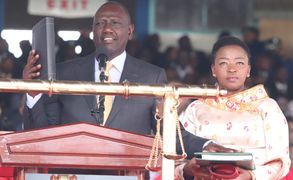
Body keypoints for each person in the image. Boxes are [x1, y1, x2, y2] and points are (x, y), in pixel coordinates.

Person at [22, 1, 207, 156]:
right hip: (73, 171)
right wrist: (32, 93)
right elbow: (44, 132)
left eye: (115, 23)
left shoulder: (152, 76)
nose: (107, 29)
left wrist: (207, 147)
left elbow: (167, 132)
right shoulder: (65, 72)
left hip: (128, 171)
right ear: (93, 31)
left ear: (130, 30)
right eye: (100, 23)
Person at [175, 36, 290, 179]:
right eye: (224, 63)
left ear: (248, 70)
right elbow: (175, 158)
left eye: (240, 63)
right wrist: (186, 169)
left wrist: (250, 175)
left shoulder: (267, 107)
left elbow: (280, 162)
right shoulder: (196, 109)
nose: (232, 69)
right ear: (213, 69)